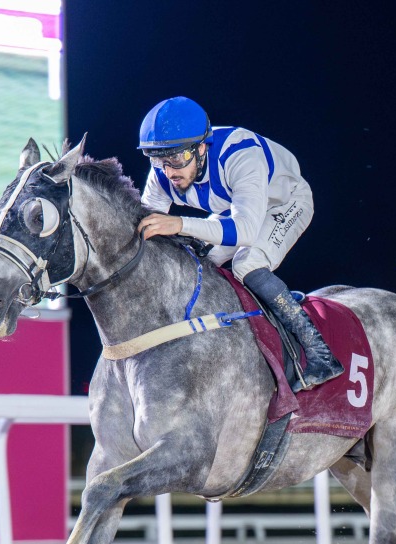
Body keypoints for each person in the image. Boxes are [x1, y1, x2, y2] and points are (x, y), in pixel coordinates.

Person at [136, 96, 344, 391]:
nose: (169, 171)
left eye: (177, 159)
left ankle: (320, 354)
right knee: (197, 262)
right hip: (235, 209)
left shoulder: (240, 154)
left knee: (247, 263)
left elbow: (245, 230)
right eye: (159, 159)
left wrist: (180, 224)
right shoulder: (163, 172)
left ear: (201, 147)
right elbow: (146, 227)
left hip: (283, 203)